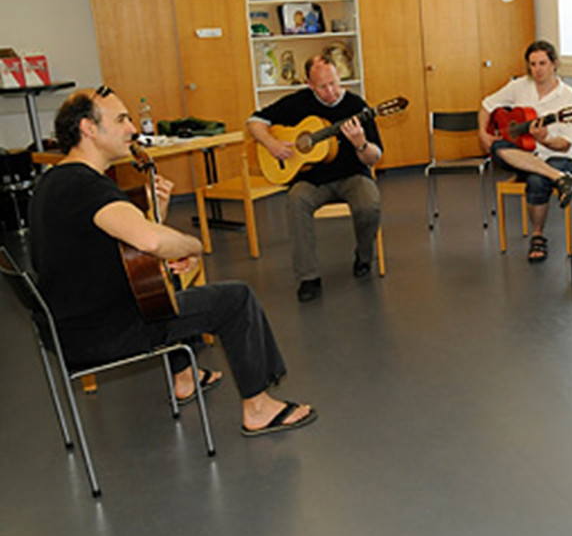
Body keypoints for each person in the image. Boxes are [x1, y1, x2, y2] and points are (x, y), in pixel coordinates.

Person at [28, 87, 316, 436]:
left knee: (167, 281)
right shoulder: (87, 187)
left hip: (67, 331)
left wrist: (155, 217)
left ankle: (186, 376)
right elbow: (150, 241)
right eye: (121, 120)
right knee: (235, 299)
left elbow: (109, 253)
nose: (133, 129)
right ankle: (258, 409)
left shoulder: (54, 181)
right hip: (104, 333)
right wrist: (193, 246)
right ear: (88, 128)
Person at [248, 55, 382, 302]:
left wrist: (360, 143)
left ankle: (364, 256)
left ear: (339, 77)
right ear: (310, 84)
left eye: (334, 83)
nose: (330, 91)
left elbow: (374, 157)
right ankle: (308, 277)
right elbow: (254, 121)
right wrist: (271, 143)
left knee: (369, 204)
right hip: (312, 181)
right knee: (296, 200)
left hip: (352, 176)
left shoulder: (356, 106)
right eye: (322, 87)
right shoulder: (297, 102)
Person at [478, 40, 572, 263]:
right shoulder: (519, 86)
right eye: (533, 64)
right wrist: (483, 133)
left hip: (560, 156)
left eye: (542, 63)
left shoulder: (567, 96)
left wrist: (545, 139)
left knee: (536, 180)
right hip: (524, 155)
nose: (538, 70)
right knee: (497, 146)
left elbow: (566, 144)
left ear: (554, 64)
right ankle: (561, 179)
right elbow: (487, 105)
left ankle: (537, 236)